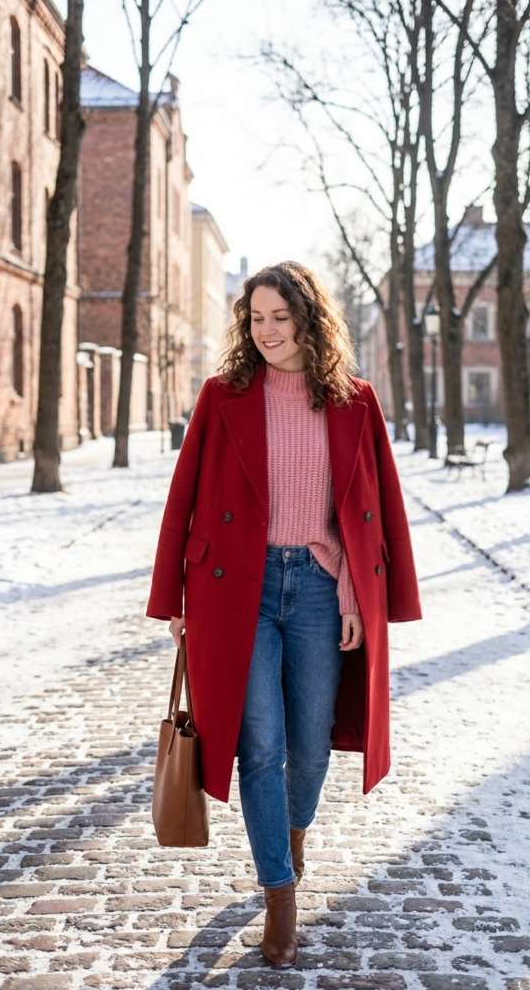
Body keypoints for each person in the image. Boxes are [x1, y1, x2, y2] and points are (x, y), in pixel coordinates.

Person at [146, 261, 421, 969]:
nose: (267, 330)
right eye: (256, 317)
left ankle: (290, 838)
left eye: (280, 316)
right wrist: (173, 599)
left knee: (311, 745)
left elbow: (377, 512)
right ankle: (280, 893)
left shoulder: (355, 402)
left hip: (321, 592)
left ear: (308, 318)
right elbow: (182, 501)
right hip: (236, 590)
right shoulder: (223, 396)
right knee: (259, 745)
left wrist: (362, 595)